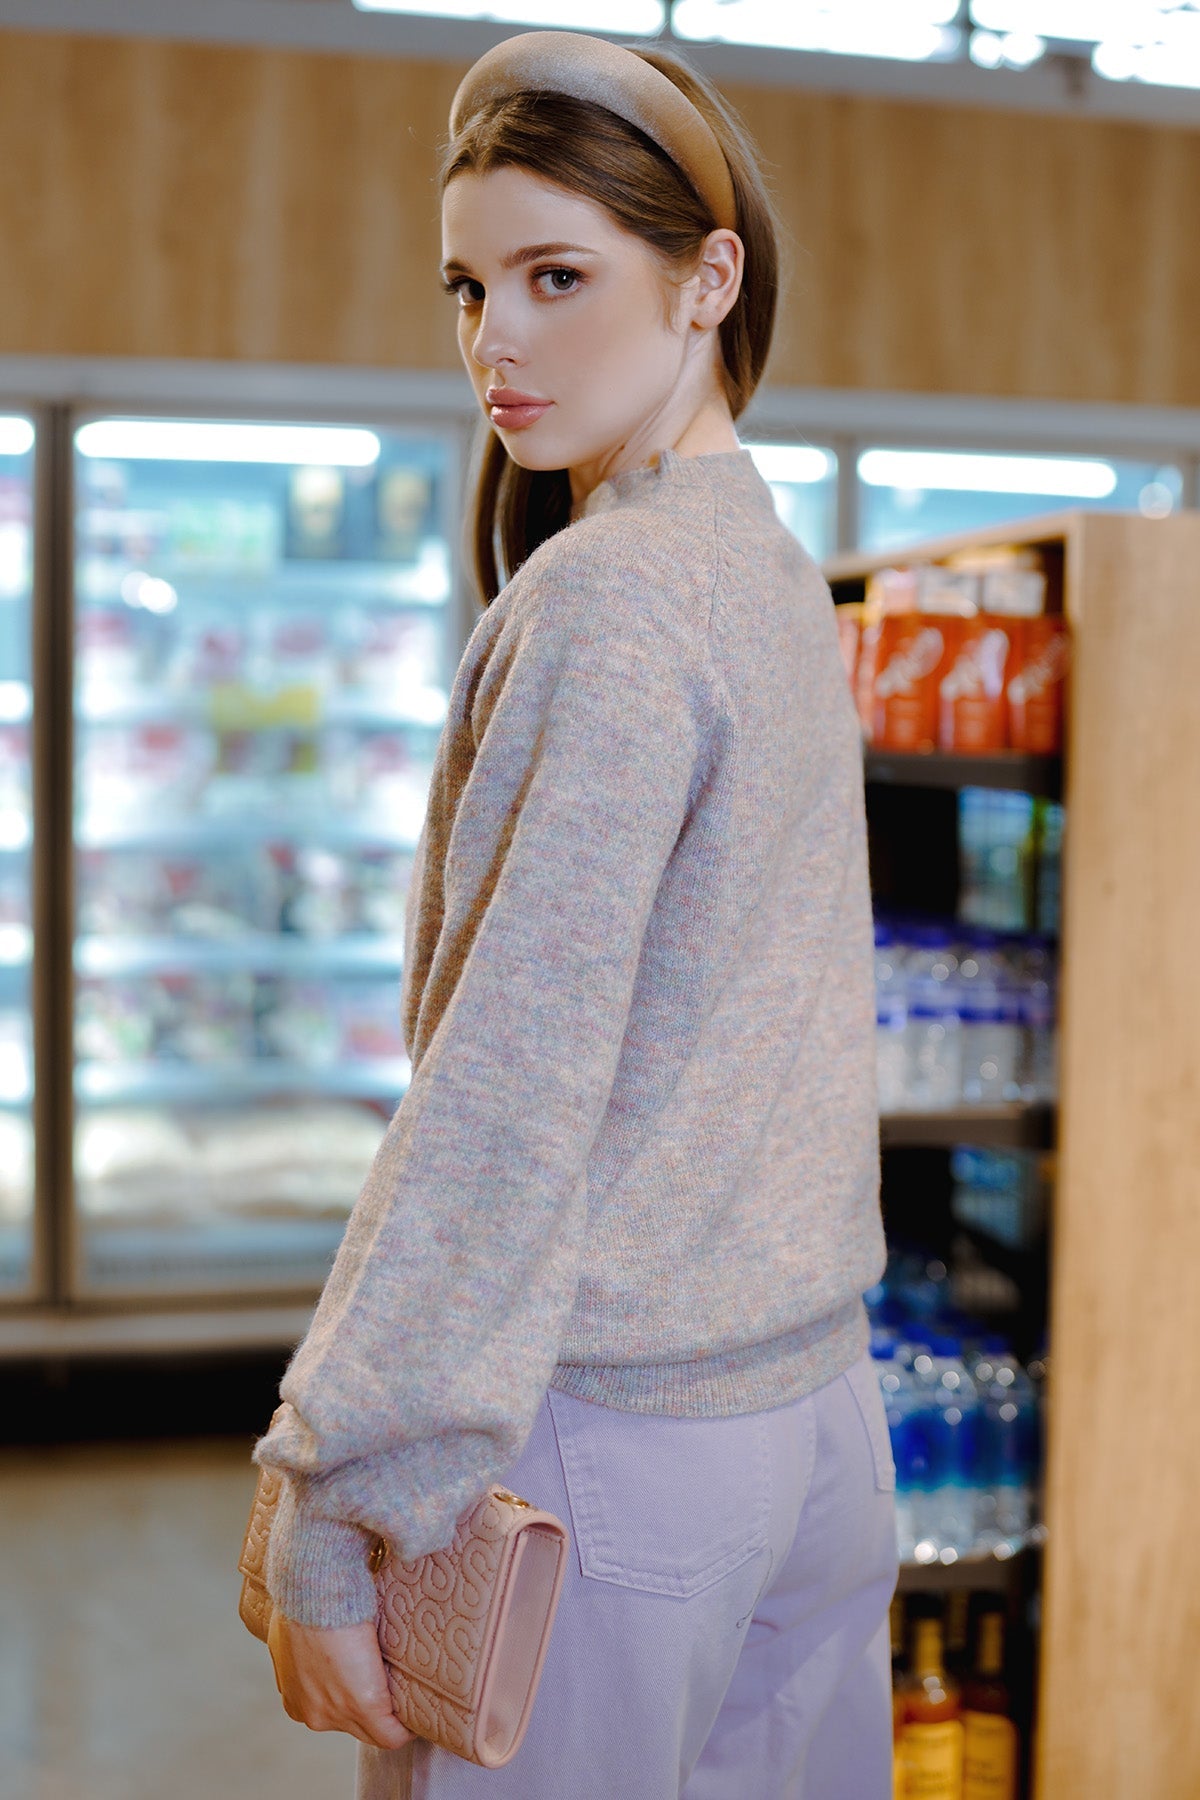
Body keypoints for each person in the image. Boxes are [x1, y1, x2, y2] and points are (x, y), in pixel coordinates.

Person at [255, 29, 897, 1799]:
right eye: (470, 288)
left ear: (708, 280)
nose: (497, 341)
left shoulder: (611, 599)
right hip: (816, 1428)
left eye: (557, 277)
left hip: (615, 1454)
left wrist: (338, 1490)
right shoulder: (772, 574)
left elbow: (510, 1086)